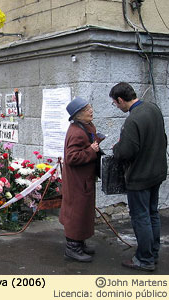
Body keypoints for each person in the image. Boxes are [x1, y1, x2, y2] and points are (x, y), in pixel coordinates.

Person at [110, 82, 167, 272]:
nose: (116, 107)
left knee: (140, 216)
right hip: (156, 173)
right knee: (152, 214)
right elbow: (163, 139)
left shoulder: (133, 120)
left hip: (140, 177)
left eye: (115, 103)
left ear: (120, 99)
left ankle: (144, 259)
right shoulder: (153, 109)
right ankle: (153, 252)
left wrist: (116, 148)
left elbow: (125, 152)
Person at [59, 97, 103, 262]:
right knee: (76, 213)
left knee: (84, 212)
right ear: (77, 115)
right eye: (86, 110)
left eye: (90, 107)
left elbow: (89, 144)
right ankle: (72, 248)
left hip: (85, 179)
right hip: (78, 181)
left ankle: (80, 243)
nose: (90, 111)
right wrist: (91, 150)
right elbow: (72, 157)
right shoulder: (76, 132)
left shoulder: (87, 126)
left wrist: (96, 141)